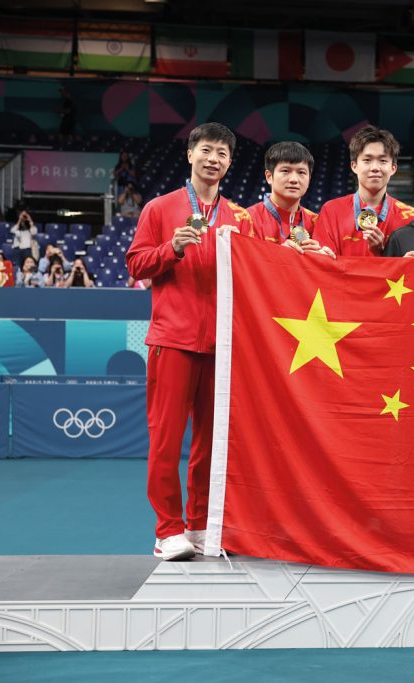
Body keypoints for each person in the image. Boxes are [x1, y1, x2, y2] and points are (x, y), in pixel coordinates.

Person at [126, 122, 255, 562]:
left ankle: (200, 525)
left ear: (230, 163)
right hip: (173, 341)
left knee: (210, 443)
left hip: (222, 347)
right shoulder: (160, 209)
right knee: (165, 441)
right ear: (190, 154)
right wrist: (172, 249)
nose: (213, 158)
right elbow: (137, 265)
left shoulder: (240, 218)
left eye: (222, 152)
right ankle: (167, 530)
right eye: (206, 149)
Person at [315, 125, 414, 257]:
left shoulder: (411, 217)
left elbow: (410, 271)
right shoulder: (331, 211)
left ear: (393, 168)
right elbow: (322, 265)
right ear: (354, 166)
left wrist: (383, 252)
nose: (375, 167)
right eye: (367, 160)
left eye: (382, 161)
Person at [247, 141, 329, 256]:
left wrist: (323, 259)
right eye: (285, 171)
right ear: (269, 177)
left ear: (309, 179)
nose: (294, 179)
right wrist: (278, 255)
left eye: (301, 172)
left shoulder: (317, 222)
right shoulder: (247, 219)